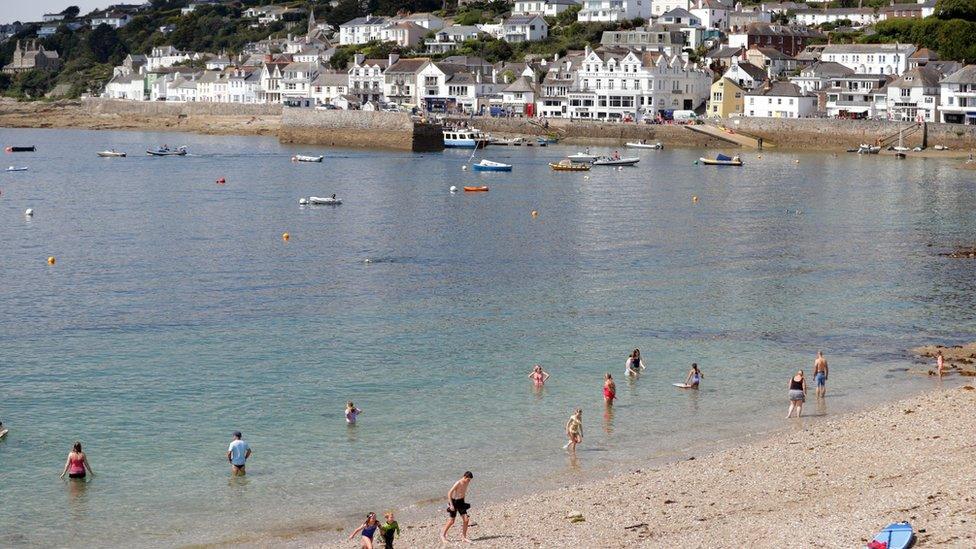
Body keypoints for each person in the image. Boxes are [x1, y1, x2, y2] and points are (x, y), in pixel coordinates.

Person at [441, 471, 474, 544]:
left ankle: (464, 537)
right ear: (465, 477)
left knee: (466, 520)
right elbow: (449, 493)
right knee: (451, 521)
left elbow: (463, 492)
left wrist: (464, 502)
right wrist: (451, 505)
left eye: (470, 480)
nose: (469, 481)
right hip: (454, 502)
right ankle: (442, 535)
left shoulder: (467, 482)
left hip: (461, 502)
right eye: (468, 479)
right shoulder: (458, 483)